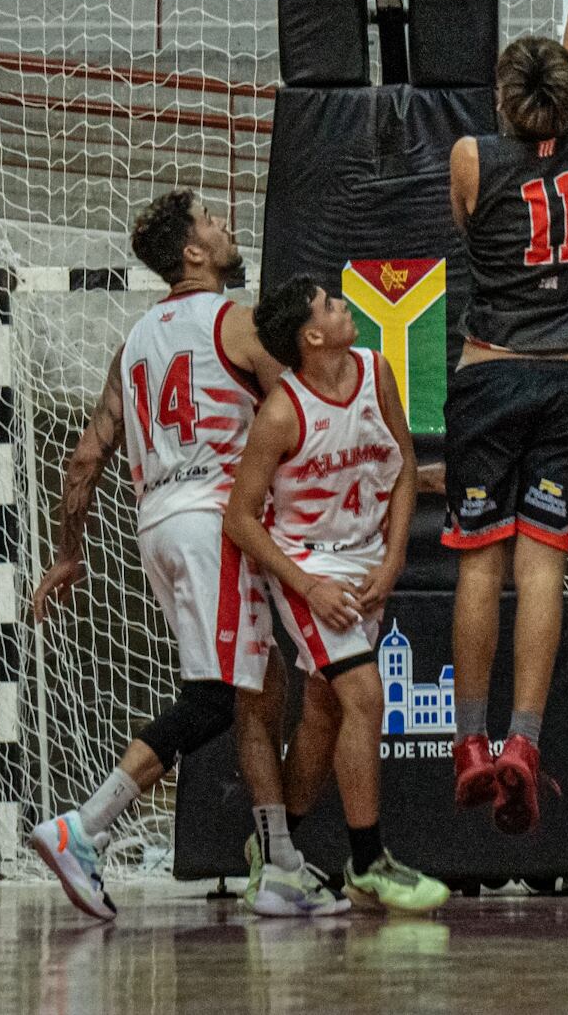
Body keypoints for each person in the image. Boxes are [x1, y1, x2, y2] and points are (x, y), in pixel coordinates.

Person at [25, 191, 344, 920]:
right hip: (213, 524)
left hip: (158, 526)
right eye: (209, 220)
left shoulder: (134, 341)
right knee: (213, 695)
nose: (224, 223)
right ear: (193, 255)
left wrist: (68, 554)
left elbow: (83, 460)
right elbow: (300, 413)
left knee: (255, 688)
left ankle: (281, 864)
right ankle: (86, 826)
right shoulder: (236, 322)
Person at [443, 0, 568, 834]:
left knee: (478, 563)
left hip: (490, 376)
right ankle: (523, 743)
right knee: (543, 562)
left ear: (505, 102)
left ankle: (466, 743)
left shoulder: (470, 157)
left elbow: (470, 226)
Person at [225, 276, 449, 914]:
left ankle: (277, 852)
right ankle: (367, 861)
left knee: (323, 715)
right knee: (365, 694)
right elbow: (240, 519)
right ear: (312, 335)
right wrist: (308, 585)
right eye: (330, 304)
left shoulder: (376, 372)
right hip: (306, 568)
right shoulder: (281, 412)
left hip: (367, 562)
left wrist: (397, 555)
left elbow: (405, 466)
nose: (343, 306)